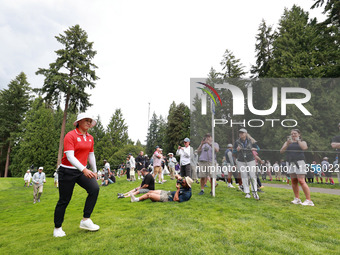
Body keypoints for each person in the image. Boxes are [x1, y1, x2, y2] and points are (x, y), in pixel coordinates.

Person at [53, 113, 100, 238]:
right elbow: (70, 156)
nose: (89, 123)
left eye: (91, 121)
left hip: (81, 171)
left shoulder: (90, 138)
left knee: (94, 189)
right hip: (67, 171)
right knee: (64, 200)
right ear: (79, 121)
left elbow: (91, 155)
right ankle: (57, 228)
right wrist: (84, 169)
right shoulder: (70, 135)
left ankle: (86, 220)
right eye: (86, 120)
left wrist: (94, 171)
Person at [280, 129, 314, 206]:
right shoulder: (288, 142)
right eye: (292, 134)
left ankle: (309, 200)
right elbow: (281, 151)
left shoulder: (302, 142)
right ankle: (297, 198)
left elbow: (304, 148)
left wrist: (298, 141)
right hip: (290, 162)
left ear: (299, 134)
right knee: (294, 181)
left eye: (295, 133)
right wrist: (287, 144)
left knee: (301, 180)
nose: (293, 135)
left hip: (299, 162)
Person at [233, 128, 260, 200]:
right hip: (241, 160)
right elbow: (234, 152)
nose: (241, 134)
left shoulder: (251, 141)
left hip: (250, 160)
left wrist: (254, 149)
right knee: (244, 176)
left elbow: (258, 148)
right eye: (240, 133)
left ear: (246, 133)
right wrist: (237, 150)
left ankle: (255, 192)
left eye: (242, 133)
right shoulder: (237, 142)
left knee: (252, 176)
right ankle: (247, 192)